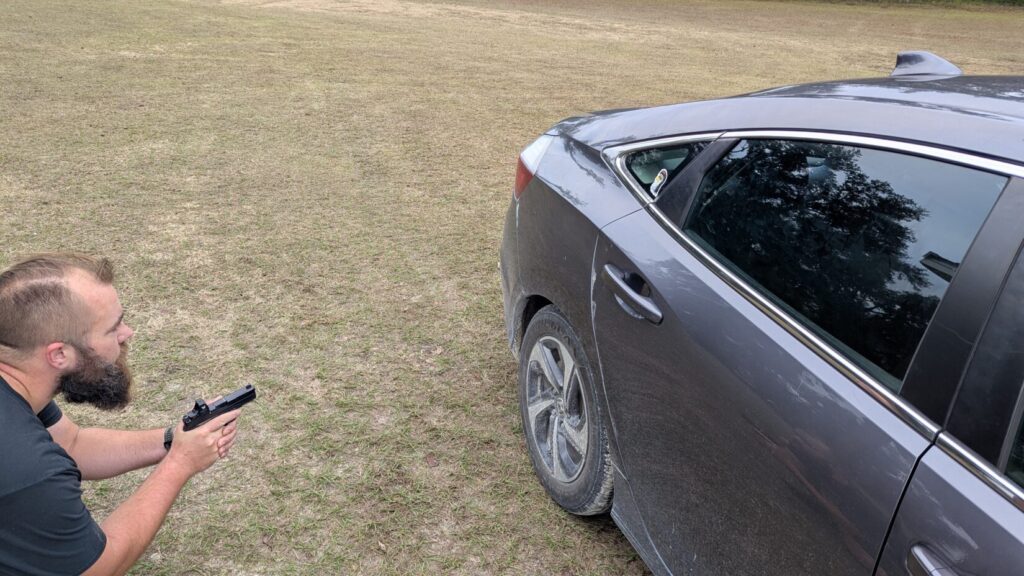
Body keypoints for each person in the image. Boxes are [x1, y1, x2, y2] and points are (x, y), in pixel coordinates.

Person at [0, 253, 244, 576]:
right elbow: (98, 567)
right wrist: (180, 464)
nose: (127, 333)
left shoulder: (19, 377)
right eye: (113, 328)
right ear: (59, 354)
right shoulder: (27, 467)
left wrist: (175, 439)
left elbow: (71, 443)